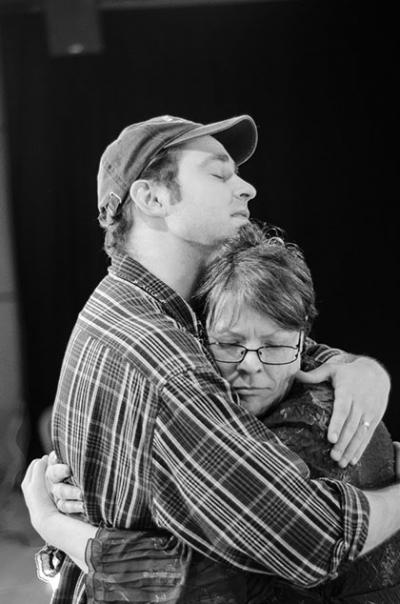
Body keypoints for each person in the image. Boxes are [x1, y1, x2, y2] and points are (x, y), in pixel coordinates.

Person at [23, 115, 394, 603]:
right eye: (220, 174)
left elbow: (245, 335)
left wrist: (355, 367)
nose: (248, 188)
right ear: (152, 198)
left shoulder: (128, 302)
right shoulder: (166, 365)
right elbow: (314, 540)